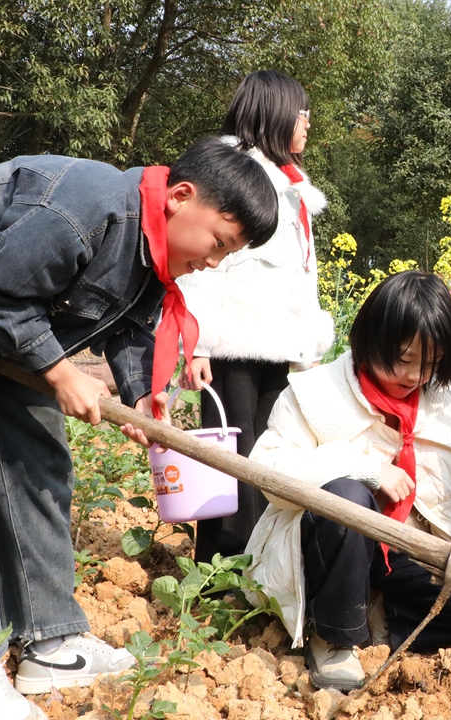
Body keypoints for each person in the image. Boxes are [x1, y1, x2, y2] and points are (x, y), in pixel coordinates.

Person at [0, 137, 278, 720]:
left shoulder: (152, 250)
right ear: (180, 197)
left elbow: (127, 327)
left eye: (230, 252)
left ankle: (51, 640)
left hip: (13, 325)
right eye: (218, 242)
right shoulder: (84, 208)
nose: (215, 260)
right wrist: (59, 370)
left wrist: (145, 394)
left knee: (39, 466)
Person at [242, 271, 451, 690]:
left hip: (401, 549)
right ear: (371, 340)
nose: (414, 376)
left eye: (430, 363)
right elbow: (269, 471)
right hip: (323, 549)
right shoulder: (315, 392)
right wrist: (365, 467)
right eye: (403, 359)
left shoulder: (445, 397)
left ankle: (381, 630)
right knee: (347, 496)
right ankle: (332, 637)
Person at [178, 70, 334, 563]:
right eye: (301, 112)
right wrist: (196, 343)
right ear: (276, 113)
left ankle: (262, 558)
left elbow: (298, 277)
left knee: (268, 452)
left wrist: (307, 347)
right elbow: (201, 265)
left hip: (277, 347)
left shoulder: (291, 186)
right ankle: (221, 566)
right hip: (231, 345)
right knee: (231, 455)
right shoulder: (235, 174)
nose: (308, 123)